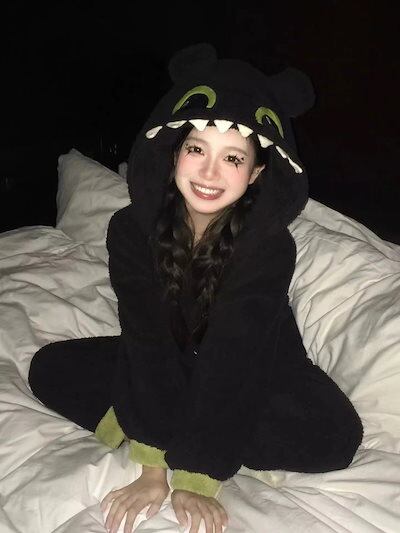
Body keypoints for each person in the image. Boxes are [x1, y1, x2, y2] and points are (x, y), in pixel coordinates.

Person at [28, 43, 364, 533]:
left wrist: (195, 475)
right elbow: (147, 339)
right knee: (50, 368)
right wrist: (152, 469)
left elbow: (235, 356)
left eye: (232, 158)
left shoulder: (270, 246)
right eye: (196, 149)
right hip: (167, 357)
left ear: (256, 173)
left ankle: (172, 422)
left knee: (335, 436)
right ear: (174, 154)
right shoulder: (130, 229)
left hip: (259, 366)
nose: (209, 172)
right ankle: (164, 417)